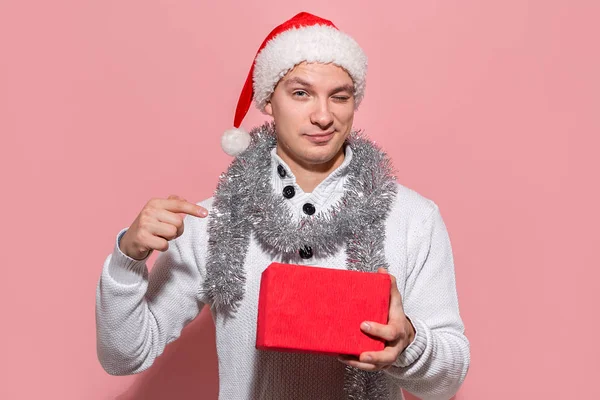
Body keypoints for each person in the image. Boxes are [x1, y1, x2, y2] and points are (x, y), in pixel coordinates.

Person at [96, 12, 470, 400]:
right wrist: (128, 257)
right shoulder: (212, 222)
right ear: (269, 102)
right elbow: (123, 356)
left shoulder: (413, 218)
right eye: (301, 93)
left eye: (339, 96)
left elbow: (449, 380)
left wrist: (407, 341)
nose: (323, 116)